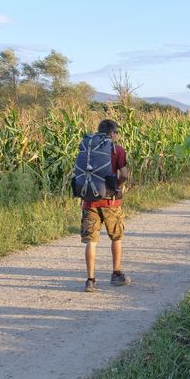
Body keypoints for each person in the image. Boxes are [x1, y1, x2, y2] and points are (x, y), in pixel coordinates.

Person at [81, 119, 130, 292]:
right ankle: (116, 274)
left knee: (91, 241)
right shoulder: (118, 150)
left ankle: (90, 280)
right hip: (111, 202)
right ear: (112, 134)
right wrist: (117, 185)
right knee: (116, 237)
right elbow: (124, 174)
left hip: (89, 200)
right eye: (116, 133)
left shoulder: (87, 149)